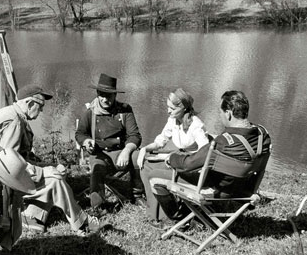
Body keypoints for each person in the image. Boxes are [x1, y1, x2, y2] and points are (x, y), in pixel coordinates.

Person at [0, 84, 103, 235]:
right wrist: (43, 171)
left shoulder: (8, 112)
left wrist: (47, 165)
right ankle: (82, 222)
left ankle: (32, 215)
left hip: (5, 174)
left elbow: (17, 157)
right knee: (56, 179)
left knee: (56, 168)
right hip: (6, 182)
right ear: (29, 103)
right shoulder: (15, 121)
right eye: (40, 105)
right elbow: (10, 163)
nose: (42, 110)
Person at [150, 90, 271, 224]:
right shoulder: (263, 134)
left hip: (216, 190)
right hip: (244, 187)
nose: (220, 116)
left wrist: (172, 159)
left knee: (154, 177)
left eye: (220, 112)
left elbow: (188, 164)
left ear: (229, 114)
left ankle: (180, 219)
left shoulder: (221, 143)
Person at [137, 88, 209, 227]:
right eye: (167, 107)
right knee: (145, 166)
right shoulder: (173, 120)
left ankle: (168, 216)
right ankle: (154, 213)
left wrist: (189, 162)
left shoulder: (196, 125)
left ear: (183, 108)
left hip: (188, 167)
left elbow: (205, 151)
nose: (168, 111)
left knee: (153, 173)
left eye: (171, 108)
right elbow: (160, 141)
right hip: (176, 161)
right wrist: (144, 149)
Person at [75, 73, 142, 210]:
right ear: (97, 93)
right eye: (102, 95)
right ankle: (98, 206)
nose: (105, 99)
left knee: (139, 158)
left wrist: (127, 151)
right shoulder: (90, 112)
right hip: (100, 154)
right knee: (97, 169)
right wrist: (87, 141)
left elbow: (135, 136)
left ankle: (138, 195)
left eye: (109, 96)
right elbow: (80, 133)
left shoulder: (125, 110)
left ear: (115, 95)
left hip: (121, 152)